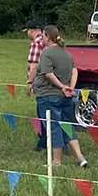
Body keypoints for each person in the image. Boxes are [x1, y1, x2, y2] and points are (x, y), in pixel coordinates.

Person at [34, 27, 87, 169]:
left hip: (49, 95)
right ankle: (80, 157)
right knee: (67, 125)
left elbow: (48, 74)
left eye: (43, 36)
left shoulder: (46, 53)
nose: (42, 39)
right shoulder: (67, 54)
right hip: (65, 97)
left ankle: (56, 161)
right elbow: (74, 72)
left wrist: (62, 87)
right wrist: (70, 87)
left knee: (54, 127)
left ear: (48, 37)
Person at [24, 20, 48, 150]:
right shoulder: (46, 41)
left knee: (42, 112)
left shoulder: (36, 43)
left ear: (31, 30)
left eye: (27, 31)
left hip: (40, 82)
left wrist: (30, 82)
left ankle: (44, 141)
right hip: (51, 81)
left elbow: (34, 65)